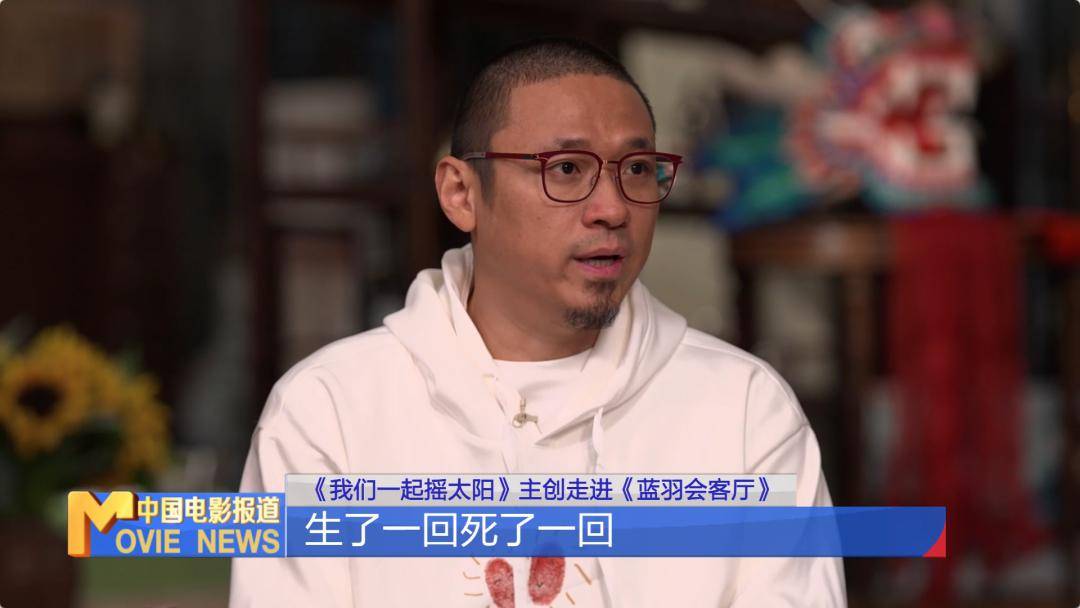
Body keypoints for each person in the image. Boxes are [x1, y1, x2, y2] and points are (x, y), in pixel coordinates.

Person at [229, 37, 846, 607]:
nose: (612, 209)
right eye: (567, 169)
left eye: (636, 169)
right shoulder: (330, 411)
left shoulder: (744, 410)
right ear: (462, 194)